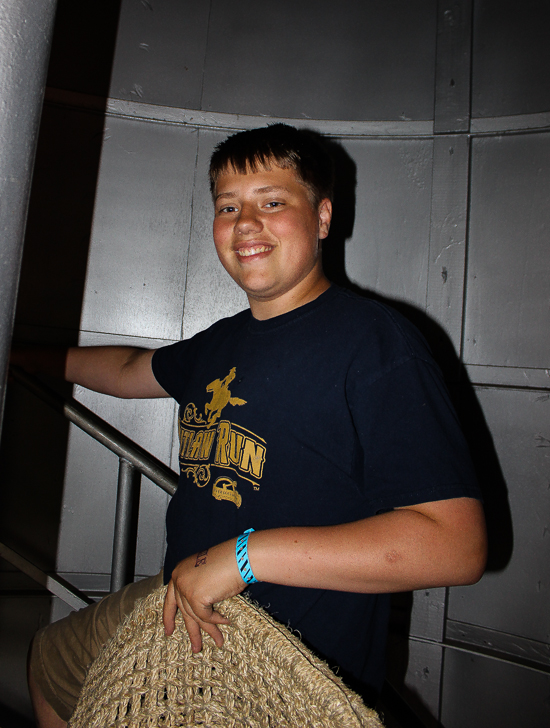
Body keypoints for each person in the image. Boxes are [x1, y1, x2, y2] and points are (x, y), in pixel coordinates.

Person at [21, 123, 487, 727]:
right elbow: (132, 367)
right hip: (180, 604)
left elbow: (455, 544)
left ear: (322, 217)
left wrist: (243, 557)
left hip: (287, 662)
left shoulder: (375, 343)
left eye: (272, 202)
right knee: (52, 659)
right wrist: (19, 357)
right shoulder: (221, 343)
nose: (245, 223)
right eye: (228, 207)